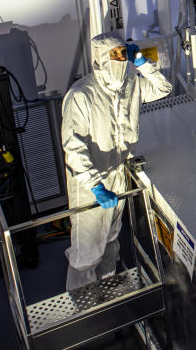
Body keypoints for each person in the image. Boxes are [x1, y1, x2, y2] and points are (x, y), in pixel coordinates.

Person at [61, 32, 172, 290]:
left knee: (111, 238)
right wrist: (95, 185)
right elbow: (73, 146)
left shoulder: (131, 83)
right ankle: (83, 307)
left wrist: (142, 62)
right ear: (100, 58)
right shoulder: (82, 94)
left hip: (118, 172)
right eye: (115, 54)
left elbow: (162, 88)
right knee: (87, 251)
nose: (121, 59)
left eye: (124, 53)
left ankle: (108, 292)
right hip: (90, 180)